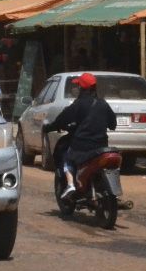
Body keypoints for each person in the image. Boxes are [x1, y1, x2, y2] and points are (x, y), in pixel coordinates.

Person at [44, 72, 116, 200]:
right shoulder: (103, 103)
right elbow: (113, 124)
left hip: (81, 146)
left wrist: (49, 127)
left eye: (79, 86)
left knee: (66, 157)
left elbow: (62, 119)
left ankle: (71, 184)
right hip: (101, 146)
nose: (77, 89)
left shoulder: (78, 104)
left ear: (83, 88)